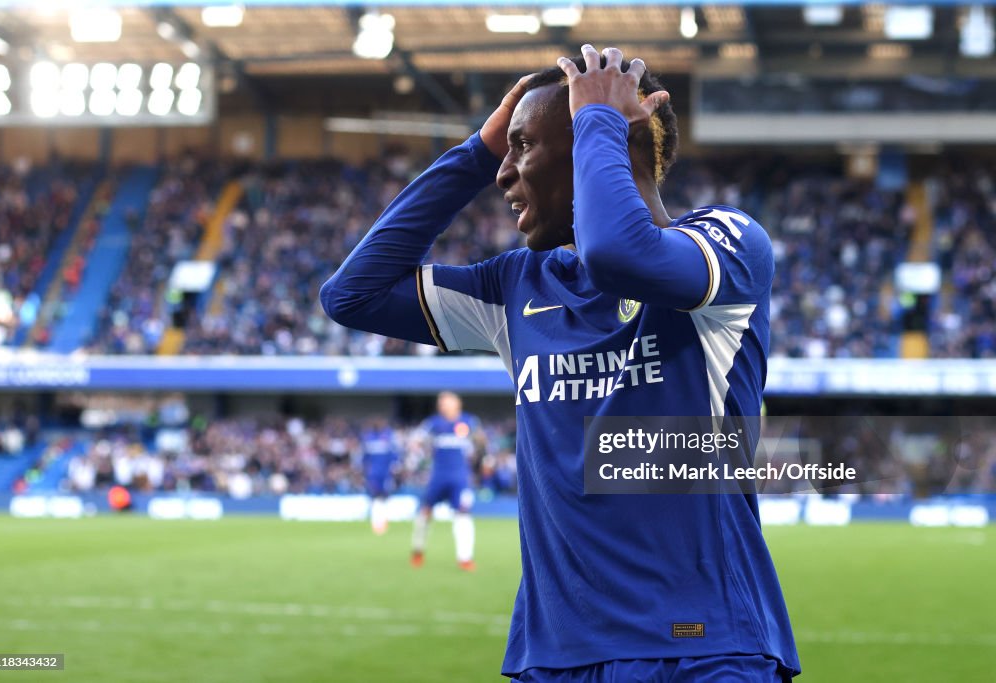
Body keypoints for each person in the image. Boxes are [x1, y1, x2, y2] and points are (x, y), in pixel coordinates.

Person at [321, 45, 800, 682]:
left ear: (598, 143)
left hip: (702, 647)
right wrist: (475, 153)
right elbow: (353, 295)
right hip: (556, 656)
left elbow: (619, 256)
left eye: (522, 147)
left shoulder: (729, 245)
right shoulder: (516, 288)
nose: (504, 174)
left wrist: (600, 121)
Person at [410, 391, 481, 571]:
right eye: (441, 402)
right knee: (426, 511)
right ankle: (418, 550)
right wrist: (417, 450)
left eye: (446, 402)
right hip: (438, 475)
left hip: (460, 477)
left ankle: (465, 557)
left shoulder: (469, 421)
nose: (442, 405)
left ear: (457, 403)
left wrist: (481, 454)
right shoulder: (433, 423)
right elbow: (416, 439)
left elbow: (481, 441)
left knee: (463, 513)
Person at [360, 417, 399, 535]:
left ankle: (383, 520)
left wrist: (395, 465)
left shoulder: (388, 437)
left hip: (385, 472)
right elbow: (365, 457)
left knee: (384, 496)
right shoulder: (368, 438)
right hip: (373, 473)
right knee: (375, 496)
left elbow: (393, 454)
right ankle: (376, 522)